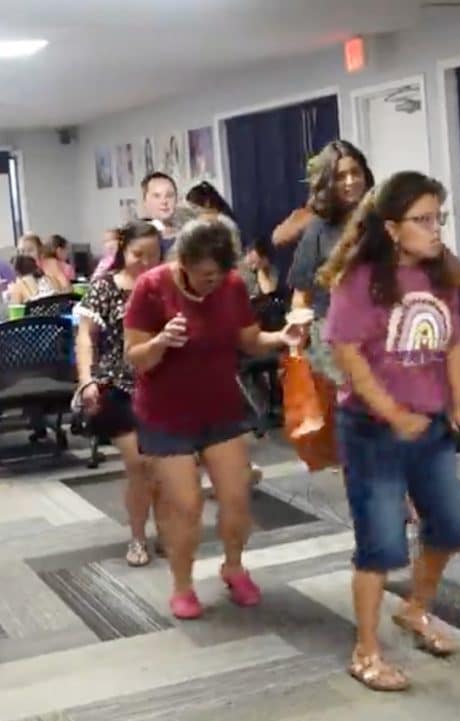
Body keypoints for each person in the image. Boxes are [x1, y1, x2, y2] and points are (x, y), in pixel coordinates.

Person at [321, 172, 460, 692]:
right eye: (423, 220)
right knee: (381, 544)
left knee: (449, 528)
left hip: (427, 425)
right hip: (370, 429)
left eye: (438, 219)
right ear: (391, 227)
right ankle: (365, 652)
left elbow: (452, 343)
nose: (435, 230)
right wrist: (392, 412)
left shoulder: (439, 277)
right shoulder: (358, 281)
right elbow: (350, 360)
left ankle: (416, 610)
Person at [124, 216, 303, 619]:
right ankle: (183, 585)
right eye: (206, 274)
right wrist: (161, 340)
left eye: (221, 274)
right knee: (186, 505)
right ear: (183, 261)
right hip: (165, 414)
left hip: (219, 407)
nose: (214, 281)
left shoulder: (232, 286)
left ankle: (234, 566)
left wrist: (282, 337)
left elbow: (249, 340)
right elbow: (134, 357)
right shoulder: (151, 287)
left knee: (237, 496)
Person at [290, 139, 460, 385]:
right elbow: (302, 296)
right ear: (328, 183)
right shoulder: (318, 232)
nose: (351, 181)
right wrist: (296, 343)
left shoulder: (387, 215)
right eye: (341, 176)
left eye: (356, 172)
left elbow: (442, 255)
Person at [74, 221, 162, 565]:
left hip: (160, 384)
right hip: (117, 385)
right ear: (123, 251)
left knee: (166, 465)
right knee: (139, 462)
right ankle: (138, 538)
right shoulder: (105, 288)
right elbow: (86, 338)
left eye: (153, 256)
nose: (145, 262)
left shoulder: (164, 285)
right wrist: (86, 379)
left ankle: (168, 531)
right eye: (138, 255)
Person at [140, 172, 179, 249]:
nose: (164, 201)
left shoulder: (187, 235)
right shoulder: (138, 238)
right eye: (156, 196)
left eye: (169, 195)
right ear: (145, 201)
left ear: (176, 199)